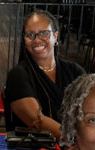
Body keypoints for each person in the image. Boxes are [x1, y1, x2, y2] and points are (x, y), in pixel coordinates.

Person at [5, 10, 85, 139]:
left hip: (77, 145)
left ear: (55, 36)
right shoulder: (18, 75)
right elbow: (37, 121)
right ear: (24, 40)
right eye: (30, 35)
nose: (37, 40)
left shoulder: (75, 71)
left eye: (44, 33)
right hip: (33, 149)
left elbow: (90, 111)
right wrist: (76, 141)